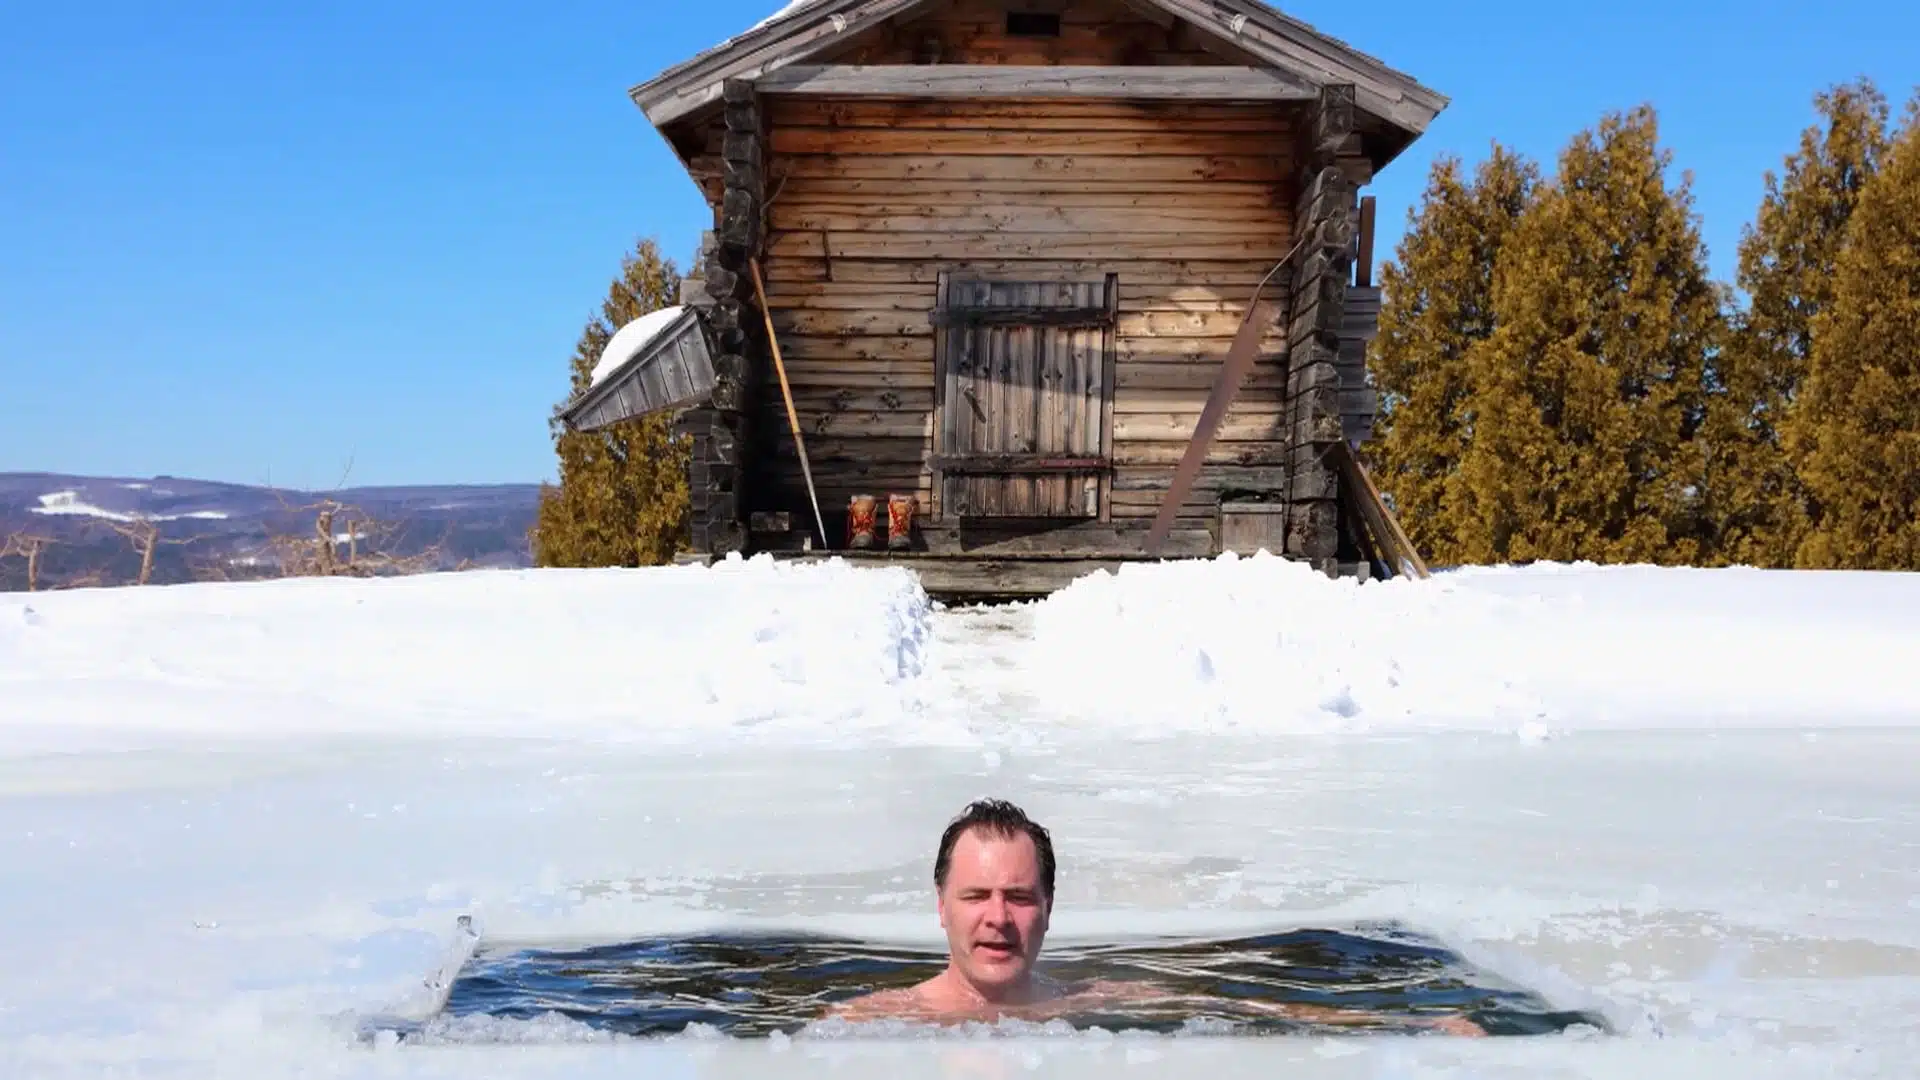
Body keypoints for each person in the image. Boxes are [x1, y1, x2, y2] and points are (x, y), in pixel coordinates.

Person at [830, 798, 1485, 1036]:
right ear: (941, 906)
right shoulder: (871, 1022)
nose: (998, 918)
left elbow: (1258, 1014)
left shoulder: (1093, 1000)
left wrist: (1415, 1022)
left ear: (1048, 911)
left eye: (1019, 897)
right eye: (977, 896)